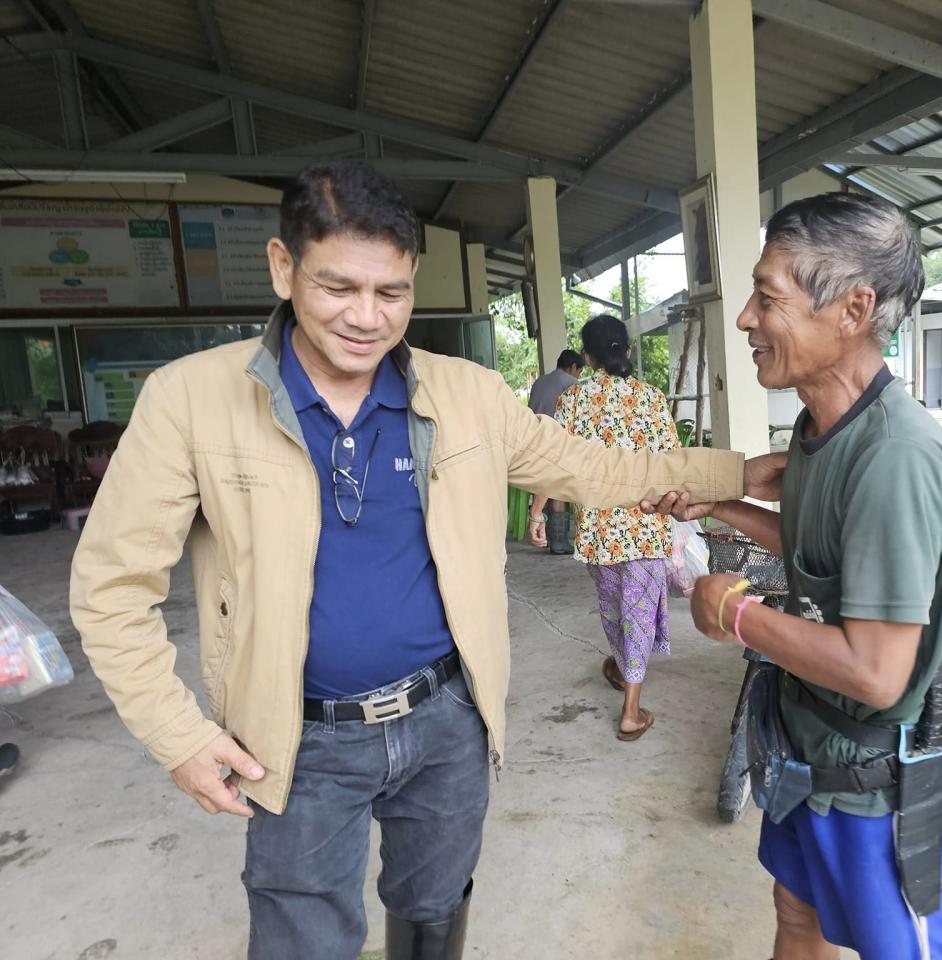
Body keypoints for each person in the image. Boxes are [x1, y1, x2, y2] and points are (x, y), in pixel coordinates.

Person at [68, 159, 779, 960]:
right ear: (281, 266)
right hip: (293, 738)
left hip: (446, 721)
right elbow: (110, 590)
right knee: (302, 934)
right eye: (339, 287)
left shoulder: (467, 392)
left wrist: (731, 475)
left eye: (392, 292)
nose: (367, 317)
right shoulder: (190, 401)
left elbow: (593, 467)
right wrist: (179, 737)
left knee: (436, 906)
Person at [645, 193, 942, 960]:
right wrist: (722, 505)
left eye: (767, 296)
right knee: (795, 918)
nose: (747, 318)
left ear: (852, 310)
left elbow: (877, 673)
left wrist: (735, 612)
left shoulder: (895, 455)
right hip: (801, 749)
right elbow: (816, 548)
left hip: (870, 782)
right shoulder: (819, 428)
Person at [530, 315, 678, 740]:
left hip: (600, 533)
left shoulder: (574, 401)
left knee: (616, 610)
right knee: (638, 612)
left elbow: (556, 466)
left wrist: (538, 514)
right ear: (627, 352)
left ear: (589, 358)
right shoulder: (652, 399)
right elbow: (670, 464)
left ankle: (622, 672)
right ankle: (631, 708)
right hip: (648, 527)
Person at [527, 348, 584, 553]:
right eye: (579, 371)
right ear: (573, 367)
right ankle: (559, 542)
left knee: (544, 487)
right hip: (556, 444)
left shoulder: (539, 382)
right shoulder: (572, 385)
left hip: (533, 444)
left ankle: (548, 535)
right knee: (559, 488)